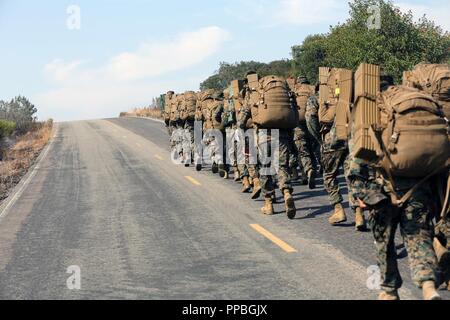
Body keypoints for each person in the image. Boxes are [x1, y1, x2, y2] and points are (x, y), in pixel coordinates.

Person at [347, 76, 444, 300]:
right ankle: (429, 286)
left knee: (384, 240)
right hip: (418, 187)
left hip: (383, 189)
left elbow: (357, 159)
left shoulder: (375, 111)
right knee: (418, 235)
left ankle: (389, 290)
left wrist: (360, 194)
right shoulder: (416, 104)